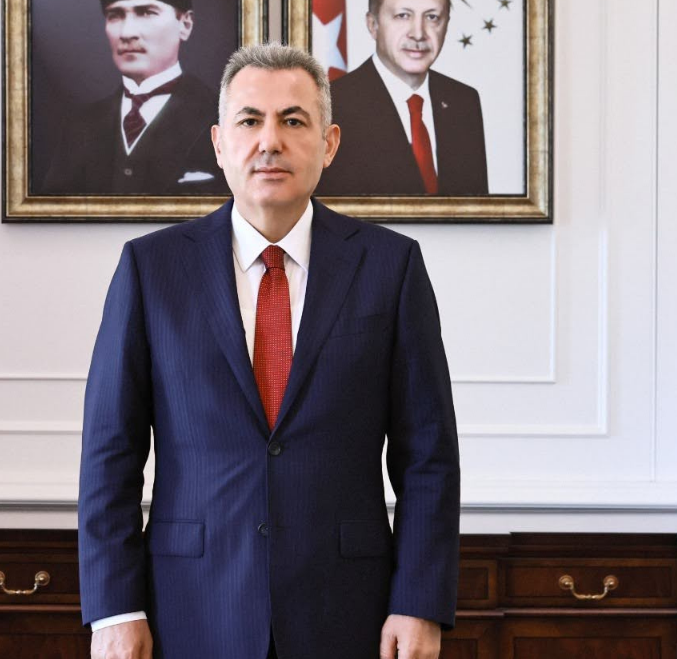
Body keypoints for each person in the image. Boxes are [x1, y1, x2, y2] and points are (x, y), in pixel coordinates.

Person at [78, 43, 461, 659]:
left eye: (293, 120)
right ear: (219, 144)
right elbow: (109, 454)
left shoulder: (391, 268)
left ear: (329, 144)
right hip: (189, 606)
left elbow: (428, 458)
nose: (269, 141)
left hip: (349, 611)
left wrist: (419, 602)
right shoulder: (151, 269)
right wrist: (114, 610)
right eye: (250, 120)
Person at [38, 0, 224, 195]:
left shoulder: (218, 116)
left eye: (146, 12)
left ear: (185, 24)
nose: (127, 32)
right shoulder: (81, 128)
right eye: (115, 15)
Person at [318, 0, 488, 196]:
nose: (418, 33)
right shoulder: (335, 104)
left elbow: (477, 208)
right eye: (403, 16)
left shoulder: (463, 101)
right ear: (373, 25)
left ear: (446, 25)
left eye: (432, 17)